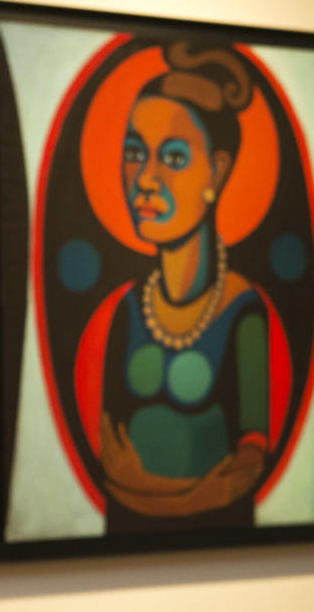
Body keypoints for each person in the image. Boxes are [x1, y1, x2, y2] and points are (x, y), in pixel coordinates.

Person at [97, 44, 269, 530]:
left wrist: (159, 497)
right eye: (135, 153)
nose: (146, 179)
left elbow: (249, 465)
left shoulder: (242, 311)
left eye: (173, 157)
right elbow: (111, 463)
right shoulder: (129, 310)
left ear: (215, 172)